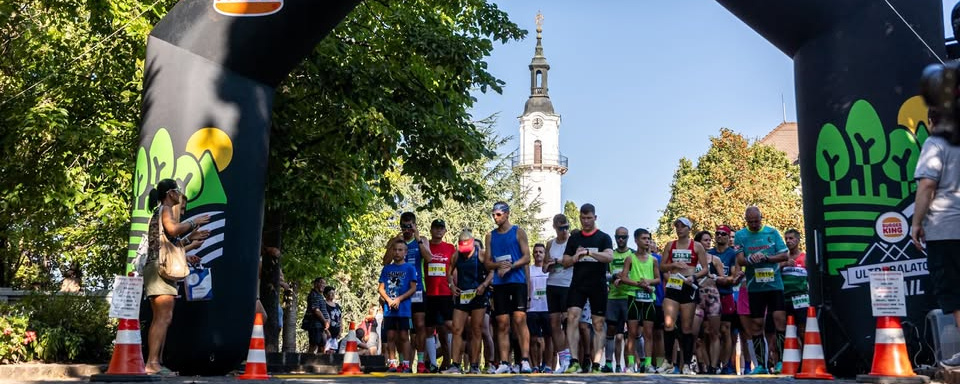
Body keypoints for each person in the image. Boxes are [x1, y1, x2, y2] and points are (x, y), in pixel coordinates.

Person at [142, 179, 210, 376]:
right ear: (171, 193)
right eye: (178, 191)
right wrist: (192, 223)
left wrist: (191, 239)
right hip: (160, 269)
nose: (179, 195)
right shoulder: (165, 209)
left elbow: (170, 241)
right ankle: (152, 363)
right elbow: (172, 230)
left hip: (158, 267)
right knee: (162, 317)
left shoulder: (160, 211)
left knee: (162, 317)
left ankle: (157, 362)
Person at [912, 112, 960, 368]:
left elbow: (928, 184)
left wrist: (917, 222)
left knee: (953, 290)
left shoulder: (936, 143)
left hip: (947, 227)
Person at [735, 206, 789, 374]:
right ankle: (761, 365)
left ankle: (779, 361)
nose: (753, 224)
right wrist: (750, 259)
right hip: (755, 286)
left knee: (780, 320)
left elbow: (785, 255)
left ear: (761, 218)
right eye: (750, 222)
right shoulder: (740, 235)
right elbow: (740, 260)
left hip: (775, 285)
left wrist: (767, 258)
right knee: (756, 325)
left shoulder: (772, 233)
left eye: (756, 221)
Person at [561, 203, 614, 374]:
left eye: (589, 218)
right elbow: (565, 262)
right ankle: (574, 360)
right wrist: (576, 256)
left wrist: (590, 253)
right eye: (583, 218)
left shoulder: (603, 237)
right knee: (572, 317)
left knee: (598, 324)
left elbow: (609, 257)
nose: (586, 221)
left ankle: (597, 363)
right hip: (578, 284)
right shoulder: (574, 239)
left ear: (595, 217)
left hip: (597, 285)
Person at [483, 202, 533, 374]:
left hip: (517, 281)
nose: (495, 218)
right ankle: (504, 361)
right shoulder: (490, 236)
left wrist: (511, 266)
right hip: (500, 283)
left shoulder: (518, 232)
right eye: (493, 215)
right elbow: (487, 262)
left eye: (498, 214)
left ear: (507, 214)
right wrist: (499, 265)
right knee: (502, 322)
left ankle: (524, 360)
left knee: (519, 320)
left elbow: (527, 257)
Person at [382, 212, 431, 373]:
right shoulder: (395, 241)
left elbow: (429, 259)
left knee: (420, 326)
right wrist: (394, 243)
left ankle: (422, 362)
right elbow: (385, 262)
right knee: (399, 330)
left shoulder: (421, 239)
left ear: (415, 224)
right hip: (397, 292)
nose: (407, 229)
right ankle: (403, 363)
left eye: (410, 226)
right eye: (404, 226)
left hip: (416, 289)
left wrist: (417, 238)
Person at [659, 217, 709, 375]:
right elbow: (661, 266)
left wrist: (693, 277)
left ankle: (686, 364)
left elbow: (705, 269)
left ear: (689, 229)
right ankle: (668, 361)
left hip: (688, 286)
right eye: (677, 226)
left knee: (687, 327)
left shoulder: (697, 246)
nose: (679, 229)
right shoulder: (670, 245)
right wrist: (673, 265)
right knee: (668, 324)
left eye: (682, 226)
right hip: (674, 285)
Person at [444, 229, 492, 374]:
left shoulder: (481, 254)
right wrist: (452, 286)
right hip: (462, 296)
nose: (465, 252)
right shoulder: (456, 255)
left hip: (478, 295)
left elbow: (492, 271)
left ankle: (474, 365)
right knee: (457, 329)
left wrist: (484, 285)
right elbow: (449, 273)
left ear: (472, 243)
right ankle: (456, 365)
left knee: (476, 330)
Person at [619, 228, 661, 373]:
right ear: (636, 240)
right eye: (644, 238)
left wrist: (648, 283)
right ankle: (630, 364)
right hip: (633, 297)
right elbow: (623, 277)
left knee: (648, 333)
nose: (647, 241)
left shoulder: (654, 259)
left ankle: (648, 363)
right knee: (632, 332)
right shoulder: (630, 258)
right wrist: (639, 284)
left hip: (649, 298)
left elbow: (658, 279)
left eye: (648, 239)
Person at [379, 238, 419, 373]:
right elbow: (381, 288)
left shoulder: (410, 268)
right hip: (389, 309)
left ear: (405, 252)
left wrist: (399, 299)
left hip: (404, 309)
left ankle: (406, 365)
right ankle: (392, 363)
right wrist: (389, 301)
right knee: (390, 336)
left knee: (403, 336)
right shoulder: (387, 268)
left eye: (400, 250)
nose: (397, 252)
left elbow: (413, 288)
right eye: (395, 249)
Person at [710, 224, 744, 375]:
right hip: (710, 296)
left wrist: (719, 279)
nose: (720, 236)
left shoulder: (733, 254)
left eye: (724, 234)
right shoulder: (708, 253)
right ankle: (712, 364)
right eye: (717, 233)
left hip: (726, 295)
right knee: (711, 332)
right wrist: (722, 279)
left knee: (726, 331)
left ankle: (726, 365)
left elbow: (734, 277)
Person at [543, 214, 573, 373]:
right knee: (554, 322)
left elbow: (571, 262)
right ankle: (562, 358)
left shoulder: (572, 242)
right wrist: (551, 264)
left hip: (568, 284)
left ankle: (569, 357)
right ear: (555, 227)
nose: (564, 231)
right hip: (552, 284)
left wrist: (557, 262)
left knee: (567, 321)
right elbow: (544, 267)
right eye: (561, 228)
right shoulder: (550, 244)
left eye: (566, 227)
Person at [694, 230, 727, 374]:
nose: (708, 243)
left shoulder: (715, 259)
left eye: (709, 240)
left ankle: (714, 366)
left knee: (714, 333)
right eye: (705, 240)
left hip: (712, 297)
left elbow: (724, 279)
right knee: (695, 334)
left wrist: (714, 277)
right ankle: (705, 364)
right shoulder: (692, 259)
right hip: (696, 296)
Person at [425, 219, 455, 372]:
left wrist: (454, 286)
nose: (438, 231)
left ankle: (448, 361)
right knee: (429, 329)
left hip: (446, 293)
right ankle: (432, 363)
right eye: (435, 228)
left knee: (448, 327)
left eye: (441, 228)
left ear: (445, 231)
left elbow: (454, 270)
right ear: (431, 230)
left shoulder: (450, 248)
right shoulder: (425, 246)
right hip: (430, 293)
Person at [603, 227, 634, 373]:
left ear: (628, 238)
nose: (621, 240)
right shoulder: (610, 255)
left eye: (624, 237)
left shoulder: (632, 254)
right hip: (613, 298)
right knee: (611, 331)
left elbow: (636, 274)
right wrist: (615, 277)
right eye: (618, 237)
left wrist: (625, 279)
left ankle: (631, 365)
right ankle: (609, 363)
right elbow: (605, 275)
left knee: (629, 333)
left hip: (629, 296)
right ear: (615, 238)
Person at [527, 243, 552, 373]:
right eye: (536, 252)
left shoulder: (549, 270)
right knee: (534, 338)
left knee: (548, 338)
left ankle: (548, 365)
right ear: (533, 254)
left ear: (544, 254)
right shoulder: (529, 270)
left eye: (541, 252)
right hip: (532, 308)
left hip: (547, 307)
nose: (538, 254)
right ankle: (535, 365)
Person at [780, 229, 809, 339]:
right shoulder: (782, 257)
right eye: (786, 238)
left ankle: (804, 355)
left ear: (798, 240)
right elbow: (774, 274)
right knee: (786, 330)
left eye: (791, 238)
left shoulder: (805, 257)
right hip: (784, 298)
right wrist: (784, 264)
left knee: (802, 330)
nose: (788, 241)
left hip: (801, 297)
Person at [304, 278, 328, 354]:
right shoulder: (313, 294)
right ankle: (306, 362)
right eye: (321, 283)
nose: (324, 285)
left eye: (324, 283)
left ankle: (319, 363)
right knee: (313, 344)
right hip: (314, 324)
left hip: (320, 325)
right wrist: (325, 321)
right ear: (316, 284)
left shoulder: (320, 295)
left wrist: (327, 321)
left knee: (322, 345)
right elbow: (316, 310)